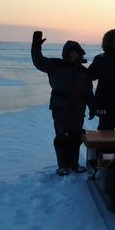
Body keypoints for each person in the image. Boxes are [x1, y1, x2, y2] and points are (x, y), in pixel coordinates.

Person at [31, 31, 93, 176]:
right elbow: (39, 62)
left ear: (80, 54)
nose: (73, 55)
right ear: (65, 53)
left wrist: (92, 106)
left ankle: (74, 164)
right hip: (60, 108)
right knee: (62, 136)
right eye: (71, 52)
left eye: (76, 53)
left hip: (78, 108)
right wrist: (35, 47)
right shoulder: (55, 65)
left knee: (76, 136)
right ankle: (63, 165)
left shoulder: (83, 71)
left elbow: (88, 92)